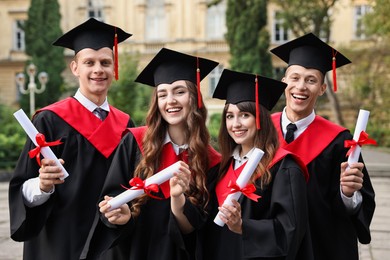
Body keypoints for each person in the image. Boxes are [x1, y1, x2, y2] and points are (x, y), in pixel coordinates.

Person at [8, 18, 135, 260]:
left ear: (113, 69)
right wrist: (43, 185)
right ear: (75, 68)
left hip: (109, 244)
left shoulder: (126, 125)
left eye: (105, 63)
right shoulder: (48, 120)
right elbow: (22, 189)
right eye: (89, 62)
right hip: (59, 243)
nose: (98, 69)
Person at [82, 48, 221, 260]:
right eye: (163, 94)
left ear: (195, 98)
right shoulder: (134, 142)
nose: (170, 100)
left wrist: (177, 197)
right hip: (131, 251)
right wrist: (120, 214)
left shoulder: (209, 160)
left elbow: (193, 229)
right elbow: (110, 199)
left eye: (180, 92)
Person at [270, 33, 376, 260]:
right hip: (270, 245)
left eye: (311, 80)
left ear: (322, 88)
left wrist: (347, 194)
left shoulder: (339, 141)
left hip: (319, 247)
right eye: (295, 78)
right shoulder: (263, 132)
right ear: (283, 83)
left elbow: (358, 205)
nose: (301, 86)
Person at [199, 69, 313, 260]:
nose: (235, 124)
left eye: (244, 115)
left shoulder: (284, 169)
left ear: (260, 118)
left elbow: (290, 231)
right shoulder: (220, 168)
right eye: (229, 116)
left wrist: (243, 226)